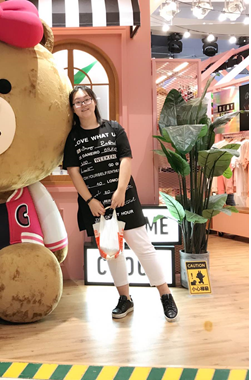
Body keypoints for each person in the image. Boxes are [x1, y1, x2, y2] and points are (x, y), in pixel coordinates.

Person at [63, 85, 178, 322]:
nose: (83, 105)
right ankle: (125, 299)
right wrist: (90, 200)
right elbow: (74, 171)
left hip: (125, 198)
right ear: (73, 109)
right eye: (78, 102)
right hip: (97, 205)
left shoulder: (114, 128)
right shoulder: (73, 138)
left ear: (94, 101)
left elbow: (126, 159)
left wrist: (121, 190)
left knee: (143, 247)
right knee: (112, 252)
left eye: (86, 99)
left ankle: (165, 295)